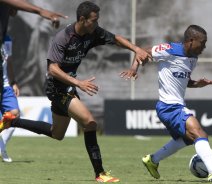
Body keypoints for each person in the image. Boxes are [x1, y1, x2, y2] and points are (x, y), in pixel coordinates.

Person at [0, 1, 150, 182]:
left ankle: (12, 121)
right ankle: (100, 173)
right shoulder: (63, 38)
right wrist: (78, 83)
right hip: (56, 87)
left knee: (57, 133)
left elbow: (116, 38)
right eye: (94, 20)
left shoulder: (92, 33)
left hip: (68, 86)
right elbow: (52, 69)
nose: (97, 23)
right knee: (90, 122)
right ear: (82, 19)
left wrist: (136, 49)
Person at [120, 25, 212, 182]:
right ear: (190, 41)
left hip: (173, 107)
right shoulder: (170, 49)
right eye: (202, 43)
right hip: (169, 106)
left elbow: (184, 80)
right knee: (200, 134)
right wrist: (134, 68)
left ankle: (152, 160)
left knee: (187, 139)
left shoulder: (193, 58)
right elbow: (143, 51)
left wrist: (197, 84)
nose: (204, 47)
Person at [0, 0, 67, 106]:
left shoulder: (8, 38)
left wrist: (12, 81)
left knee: (13, 113)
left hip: (9, 80)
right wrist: (40, 11)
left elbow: (8, 58)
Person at [0, 35, 20, 163]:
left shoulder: (7, 39)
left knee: (15, 116)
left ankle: (1, 147)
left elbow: (9, 60)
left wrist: (13, 81)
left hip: (6, 86)